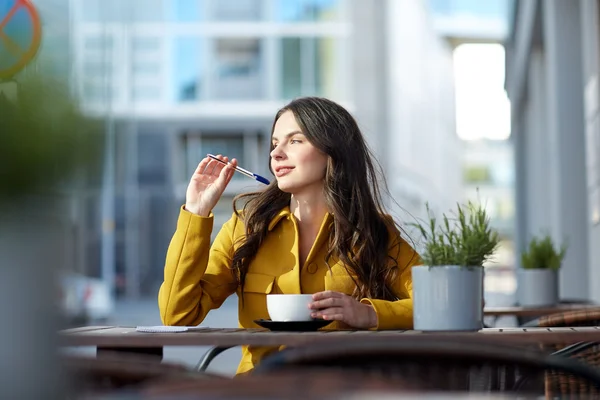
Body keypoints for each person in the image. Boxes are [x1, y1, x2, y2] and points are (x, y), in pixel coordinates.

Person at [158, 97, 421, 375]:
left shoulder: (373, 231)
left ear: (334, 151)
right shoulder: (245, 227)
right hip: (260, 390)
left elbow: (436, 305)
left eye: (295, 141)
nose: (276, 154)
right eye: (274, 144)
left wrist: (369, 314)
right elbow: (177, 315)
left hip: (343, 388)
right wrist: (196, 213)